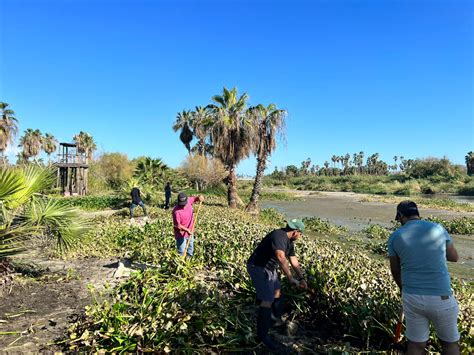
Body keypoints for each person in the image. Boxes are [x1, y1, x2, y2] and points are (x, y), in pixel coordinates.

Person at [388, 201, 460, 355]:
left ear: (400, 216)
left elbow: (395, 269)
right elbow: (454, 257)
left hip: (412, 296)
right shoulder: (438, 228)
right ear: (417, 214)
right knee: (450, 345)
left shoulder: (395, 236)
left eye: (398, 218)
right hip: (442, 297)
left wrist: (403, 288)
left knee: (415, 345)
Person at [247, 219, 307, 350]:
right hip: (258, 267)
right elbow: (281, 257)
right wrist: (290, 278)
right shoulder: (278, 235)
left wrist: (302, 278)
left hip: (269, 269)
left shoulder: (289, 241)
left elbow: (293, 260)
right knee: (267, 299)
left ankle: (274, 322)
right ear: (296, 232)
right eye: (301, 234)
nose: (300, 237)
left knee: (277, 291)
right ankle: (263, 335)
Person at [172, 192, 204, 257]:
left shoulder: (188, 200)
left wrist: (199, 197)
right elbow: (178, 226)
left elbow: (195, 198)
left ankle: (188, 261)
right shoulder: (176, 212)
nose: (183, 206)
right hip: (181, 235)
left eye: (184, 204)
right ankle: (181, 264)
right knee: (181, 252)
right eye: (181, 204)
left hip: (190, 231)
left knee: (190, 249)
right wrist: (187, 230)